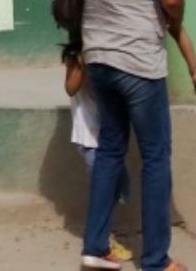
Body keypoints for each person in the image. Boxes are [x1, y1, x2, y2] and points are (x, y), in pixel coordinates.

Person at [76, 0, 189, 271]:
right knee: (156, 156)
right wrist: (174, 18)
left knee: (110, 149)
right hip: (139, 59)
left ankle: (95, 245)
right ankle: (156, 259)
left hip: (98, 56)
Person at [64, 39, 134, 269]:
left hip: (109, 138)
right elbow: (70, 88)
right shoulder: (79, 54)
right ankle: (100, 244)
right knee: (104, 188)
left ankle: (101, 238)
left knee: (117, 188)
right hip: (91, 138)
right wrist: (84, 63)